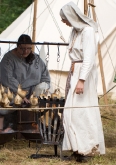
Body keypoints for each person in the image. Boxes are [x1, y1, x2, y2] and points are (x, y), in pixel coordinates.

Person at [60, 2, 105, 162]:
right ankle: (77, 148)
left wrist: (81, 80)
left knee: (83, 113)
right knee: (71, 113)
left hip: (82, 76)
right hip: (74, 72)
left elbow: (89, 59)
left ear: (71, 17)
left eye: (64, 18)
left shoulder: (88, 31)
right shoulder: (75, 31)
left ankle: (87, 150)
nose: (63, 21)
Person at [0, 34, 50, 132]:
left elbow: (45, 76)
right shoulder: (9, 59)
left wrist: (40, 91)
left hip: (32, 93)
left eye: (28, 48)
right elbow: (7, 78)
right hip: (13, 91)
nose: (26, 51)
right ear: (17, 46)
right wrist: (20, 94)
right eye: (23, 48)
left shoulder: (36, 59)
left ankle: (36, 131)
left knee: (42, 101)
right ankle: (0, 132)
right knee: (0, 102)